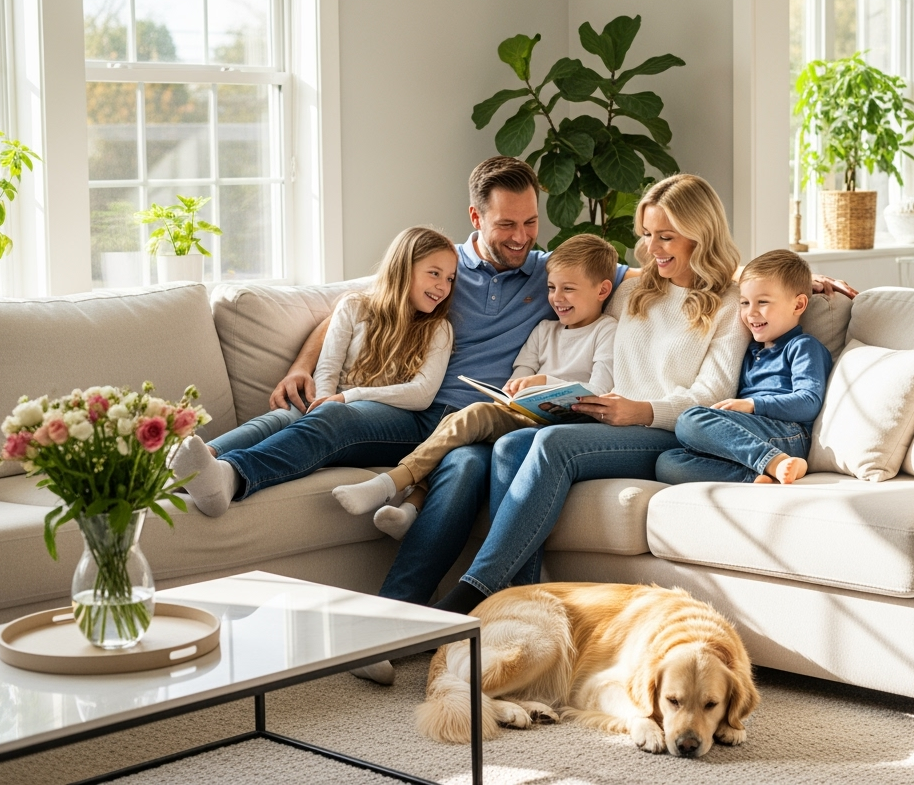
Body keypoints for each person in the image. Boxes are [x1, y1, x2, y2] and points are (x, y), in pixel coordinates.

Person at [430, 173, 751, 616]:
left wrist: (640, 409)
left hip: (664, 429)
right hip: (605, 419)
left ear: (701, 234)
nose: (653, 248)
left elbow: (712, 394)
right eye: (647, 235)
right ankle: (523, 610)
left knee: (552, 443)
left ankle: (476, 592)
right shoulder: (637, 291)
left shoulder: (731, 303)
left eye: (666, 237)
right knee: (508, 446)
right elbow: (577, 295)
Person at [331, 233, 619, 539]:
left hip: (570, 422)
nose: (556, 298)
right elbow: (521, 373)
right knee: (458, 432)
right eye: (551, 288)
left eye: (568, 289)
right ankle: (412, 506)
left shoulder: (606, 331)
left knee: (473, 415)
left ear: (602, 290)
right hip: (525, 413)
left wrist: (543, 381)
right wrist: (517, 386)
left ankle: (389, 483)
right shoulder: (544, 329)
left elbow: (598, 389)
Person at [171, 226, 458, 516]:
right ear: (402, 268)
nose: (443, 287)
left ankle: (233, 475)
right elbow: (328, 368)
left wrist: (347, 399)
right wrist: (322, 401)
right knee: (284, 416)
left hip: (395, 416)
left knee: (331, 415)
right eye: (434, 273)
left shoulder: (439, 329)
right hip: (336, 405)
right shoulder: (354, 306)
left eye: (450, 278)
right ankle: (196, 462)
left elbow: (421, 394)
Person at [655, 249, 833, 486]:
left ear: (798, 305)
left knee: (689, 419)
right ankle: (758, 476)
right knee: (667, 463)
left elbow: (808, 402)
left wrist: (752, 405)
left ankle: (773, 460)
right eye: (745, 303)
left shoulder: (802, 346)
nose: (751, 312)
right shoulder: (749, 350)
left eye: (763, 302)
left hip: (789, 434)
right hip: (749, 434)